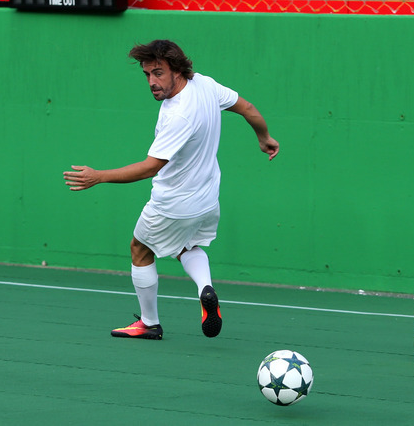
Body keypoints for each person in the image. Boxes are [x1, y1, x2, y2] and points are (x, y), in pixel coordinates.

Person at [64, 39, 279, 340]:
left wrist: (99, 176)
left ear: (177, 70)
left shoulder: (178, 115)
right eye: (147, 74)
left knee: (140, 249)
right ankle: (206, 288)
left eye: (158, 73)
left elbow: (151, 166)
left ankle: (149, 323)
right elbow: (248, 108)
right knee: (187, 246)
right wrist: (264, 137)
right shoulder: (205, 84)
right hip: (206, 200)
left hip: (172, 203)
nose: (152, 81)